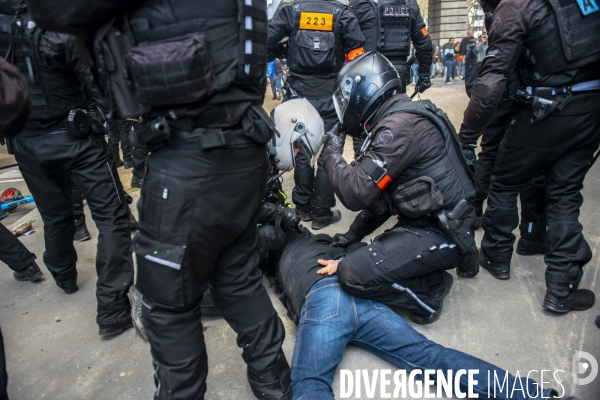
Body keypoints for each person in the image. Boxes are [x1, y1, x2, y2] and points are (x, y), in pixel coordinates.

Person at [28, 0, 293, 398]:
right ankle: (276, 388)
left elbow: (52, 12)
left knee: (169, 307)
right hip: (246, 154)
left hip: (186, 163)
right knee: (238, 280)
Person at [258, 225, 572, 400]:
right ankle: (536, 396)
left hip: (323, 300)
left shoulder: (286, 249)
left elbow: (262, 241)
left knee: (310, 382)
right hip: (361, 298)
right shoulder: (325, 245)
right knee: (431, 357)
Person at [1, 1, 134, 337]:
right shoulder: (56, 23)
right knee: (111, 218)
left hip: (26, 142)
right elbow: (98, 78)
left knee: (57, 215)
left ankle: (64, 275)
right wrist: (103, 116)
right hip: (74, 138)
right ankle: (113, 308)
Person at [458, 0, 600, 314]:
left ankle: (496, 257)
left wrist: (466, 138)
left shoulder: (518, 7)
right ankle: (560, 289)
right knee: (565, 195)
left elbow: (491, 81)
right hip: (587, 113)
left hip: (541, 113)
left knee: (505, 182)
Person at [319, 52, 478, 323]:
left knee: (352, 274)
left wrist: (331, 155)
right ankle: (450, 259)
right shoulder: (403, 115)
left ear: (364, 92)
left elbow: (355, 193)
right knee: (356, 255)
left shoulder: (396, 128)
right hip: (435, 223)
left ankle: (430, 293)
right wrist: (350, 237)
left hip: (441, 231)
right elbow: (380, 199)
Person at [268, 0, 365, 229]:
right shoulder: (343, 14)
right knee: (329, 152)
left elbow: (264, 41)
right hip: (332, 95)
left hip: (297, 93)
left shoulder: (290, 11)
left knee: (299, 149)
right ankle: (321, 213)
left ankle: (302, 207)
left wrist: (281, 50)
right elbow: (359, 56)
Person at [348, 0, 432, 94]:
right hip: (398, 71)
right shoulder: (409, 3)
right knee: (397, 106)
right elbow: (424, 42)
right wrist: (424, 75)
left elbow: (345, 37)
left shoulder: (358, 3)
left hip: (366, 72)